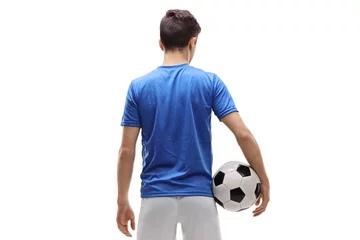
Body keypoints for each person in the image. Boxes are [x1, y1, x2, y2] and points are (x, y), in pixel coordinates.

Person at [116, 9, 270, 240]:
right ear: (193, 42)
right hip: (200, 197)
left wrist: (122, 201)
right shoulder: (210, 82)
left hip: (155, 196)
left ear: (160, 44)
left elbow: (126, 150)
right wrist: (264, 180)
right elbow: (243, 135)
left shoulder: (138, 87)